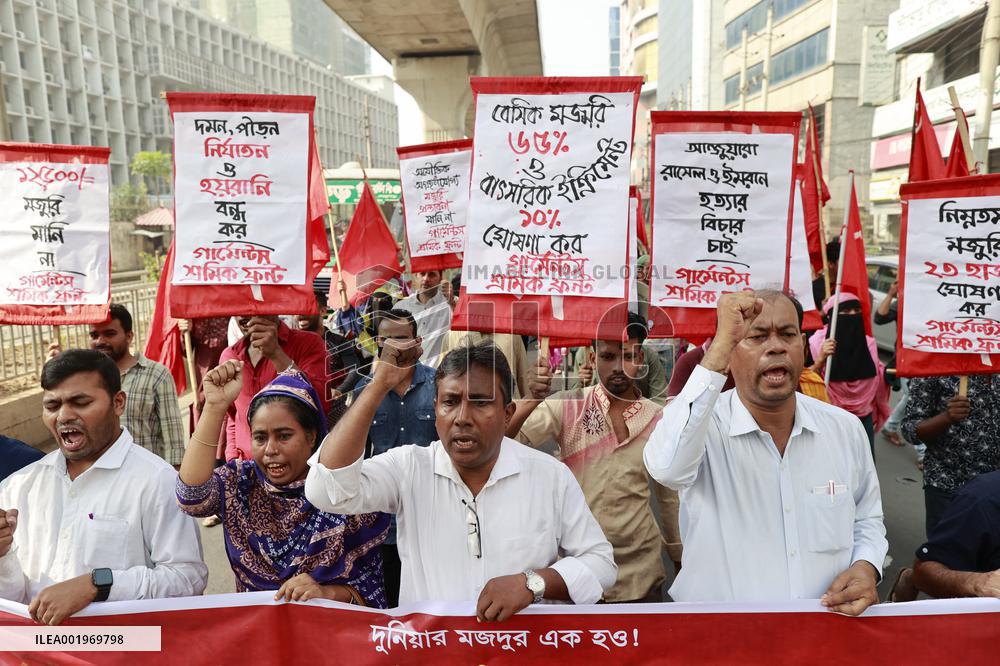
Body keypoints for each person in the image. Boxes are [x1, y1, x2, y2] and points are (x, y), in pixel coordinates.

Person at [305, 342, 616, 619]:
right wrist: (379, 384)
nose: (463, 417)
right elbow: (326, 490)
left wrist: (532, 583)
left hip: (521, 654)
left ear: (508, 413)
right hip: (433, 655)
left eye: (480, 402)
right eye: (450, 402)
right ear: (436, 410)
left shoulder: (549, 476)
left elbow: (601, 565)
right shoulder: (409, 468)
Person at [644, 291, 887, 614]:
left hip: (826, 634)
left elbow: (867, 518)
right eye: (756, 336)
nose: (775, 347)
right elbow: (666, 468)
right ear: (730, 352)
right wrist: (719, 347)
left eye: (787, 334)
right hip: (723, 640)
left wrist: (867, 565)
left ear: (802, 346)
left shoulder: (844, 429)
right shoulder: (703, 428)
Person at [0, 350, 207, 625]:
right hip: (37, 653)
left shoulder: (157, 480)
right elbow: (12, 599)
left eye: (80, 402)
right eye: (52, 406)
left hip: (123, 652)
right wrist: (3, 554)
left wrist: (98, 585)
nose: (63, 416)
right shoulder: (20, 485)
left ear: (118, 402)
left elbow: (188, 580)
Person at [176, 362, 388, 605]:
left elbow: (372, 590)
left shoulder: (342, 491)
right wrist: (214, 407)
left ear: (311, 437)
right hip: (258, 633)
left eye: (284, 436)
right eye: (260, 437)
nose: (270, 450)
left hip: (327, 635)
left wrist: (327, 594)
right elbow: (191, 497)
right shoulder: (241, 483)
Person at [509, 313, 681, 602]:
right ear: (592, 356)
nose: (617, 367)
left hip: (642, 573)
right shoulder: (567, 406)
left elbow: (668, 497)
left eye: (627, 356)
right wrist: (531, 399)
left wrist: (678, 555)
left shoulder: (657, 417)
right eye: (608, 356)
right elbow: (502, 441)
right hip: (578, 571)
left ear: (640, 358)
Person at [348, 308, 438, 606]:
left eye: (402, 339)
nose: (395, 346)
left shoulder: (440, 387)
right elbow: (354, 455)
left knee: (431, 604)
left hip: (432, 515)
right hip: (381, 524)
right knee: (389, 605)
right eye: (387, 340)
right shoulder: (364, 391)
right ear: (377, 344)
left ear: (418, 342)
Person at [49, 303, 186, 466]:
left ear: (129, 336)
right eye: (94, 335)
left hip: (143, 480)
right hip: (95, 477)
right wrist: (58, 373)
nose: (100, 341)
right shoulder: (81, 379)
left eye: (109, 334)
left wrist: (173, 482)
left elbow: (174, 442)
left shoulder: (156, 375)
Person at [218, 315, 327, 462]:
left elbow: (318, 406)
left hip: (296, 470)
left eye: (251, 303)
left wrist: (276, 354)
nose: (243, 315)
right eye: (237, 306)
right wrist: (233, 457)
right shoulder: (229, 356)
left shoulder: (308, 343)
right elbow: (235, 416)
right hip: (247, 471)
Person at [900, 374, 998, 536]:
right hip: (948, 484)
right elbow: (910, 430)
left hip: (993, 490)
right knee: (944, 557)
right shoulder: (935, 366)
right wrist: (946, 417)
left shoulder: (994, 359)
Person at [808, 293, 890, 451]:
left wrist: (888, 375)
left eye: (856, 310)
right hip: (828, 416)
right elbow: (804, 381)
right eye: (845, 311)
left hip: (862, 418)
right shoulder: (816, 343)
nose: (852, 315)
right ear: (832, 316)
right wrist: (821, 359)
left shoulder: (869, 344)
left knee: (862, 465)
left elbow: (877, 376)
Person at [296, 290, 362, 399]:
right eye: (297, 310)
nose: (300, 315)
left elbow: (354, 370)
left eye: (307, 308)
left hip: (333, 406)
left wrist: (338, 391)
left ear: (323, 311)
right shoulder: (292, 344)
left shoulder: (339, 342)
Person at [440, 330, 531, 400]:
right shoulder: (452, 336)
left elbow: (524, 381)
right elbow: (442, 384)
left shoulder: (511, 335)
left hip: (509, 413)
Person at [396, 270, 454, 368]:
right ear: (415, 276)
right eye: (422, 274)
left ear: (441, 278)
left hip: (439, 376)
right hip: (407, 374)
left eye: (431, 274)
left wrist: (452, 303)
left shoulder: (451, 305)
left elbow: (463, 331)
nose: (426, 279)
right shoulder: (400, 307)